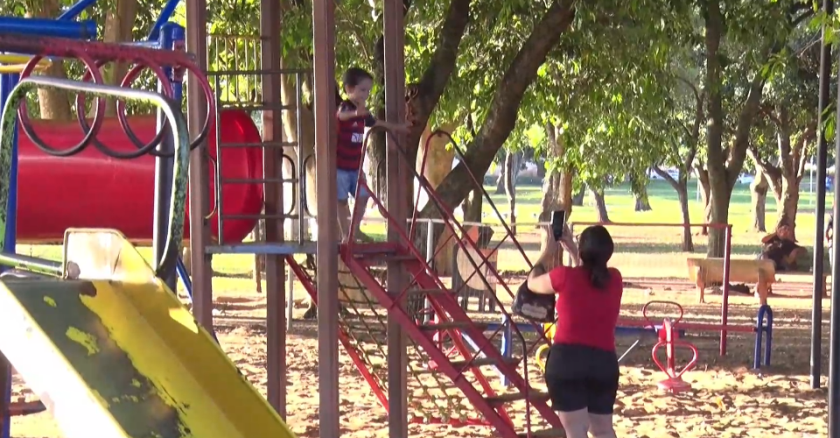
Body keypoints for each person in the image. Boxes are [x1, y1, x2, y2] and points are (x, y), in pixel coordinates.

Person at [525, 225, 623, 438]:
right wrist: (573, 249)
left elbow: (532, 283)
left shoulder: (563, 277)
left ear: (582, 252)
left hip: (568, 361)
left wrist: (546, 250)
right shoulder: (615, 279)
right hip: (603, 363)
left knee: (576, 430)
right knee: (603, 429)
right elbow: (591, 275)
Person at [336, 67, 409, 242]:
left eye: (368, 91)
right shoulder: (346, 106)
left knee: (363, 196)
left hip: (355, 167)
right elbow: (340, 116)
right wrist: (355, 113)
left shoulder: (364, 113)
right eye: (362, 90)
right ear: (348, 89)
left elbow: (377, 123)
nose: (366, 94)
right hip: (340, 167)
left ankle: (353, 231)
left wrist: (399, 128)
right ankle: (346, 234)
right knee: (341, 201)